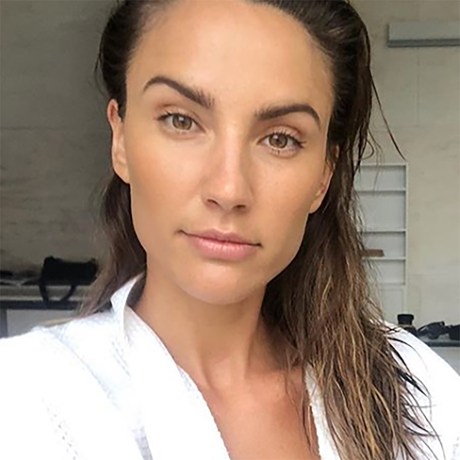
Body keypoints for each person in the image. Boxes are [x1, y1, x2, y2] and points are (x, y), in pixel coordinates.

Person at [0, 0, 459, 459]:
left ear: (323, 175)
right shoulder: (27, 399)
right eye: (181, 120)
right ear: (120, 139)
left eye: (280, 139)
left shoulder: (413, 389)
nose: (228, 188)